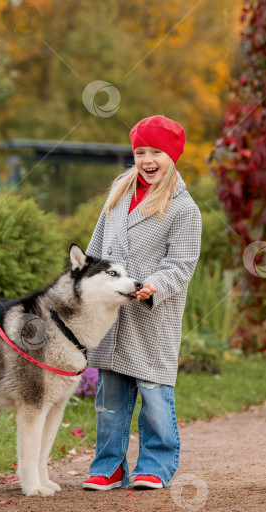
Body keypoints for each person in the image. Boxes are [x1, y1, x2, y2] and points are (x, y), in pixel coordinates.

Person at [82, 115, 202, 490]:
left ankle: (156, 464)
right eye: (140, 152)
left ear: (172, 156)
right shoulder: (118, 195)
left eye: (156, 152)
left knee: (154, 394)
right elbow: (96, 248)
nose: (148, 160)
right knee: (110, 398)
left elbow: (181, 264)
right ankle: (109, 466)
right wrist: (84, 284)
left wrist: (155, 285)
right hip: (113, 312)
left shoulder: (184, 208)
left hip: (152, 315)